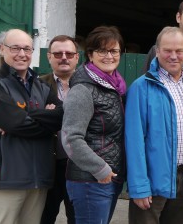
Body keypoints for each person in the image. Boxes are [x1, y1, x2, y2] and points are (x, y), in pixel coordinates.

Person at [0, 29, 63, 224]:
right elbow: (15, 123)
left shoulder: (43, 87)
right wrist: (44, 119)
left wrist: (26, 116)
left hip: (39, 179)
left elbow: (60, 117)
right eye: (15, 48)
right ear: (2, 49)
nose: (22, 54)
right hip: (7, 180)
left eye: (27, 48)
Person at [125, 26, 183, 224]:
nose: (173, 56)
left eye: (179, 51)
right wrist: (139, 187)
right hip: (153, 181)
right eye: (167, 50)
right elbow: (134, 141)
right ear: (157, 51)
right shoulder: (141, 87)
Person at [61, 26, 127, 223]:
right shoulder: (83, 89)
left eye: (114, 51)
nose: (109, 56)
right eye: (101, 51)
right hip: (90, 180)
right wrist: (101, 169)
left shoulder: (115, 87)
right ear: (90, 54)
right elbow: (71, 138)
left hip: (108, 178)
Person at [40, 35, 79, 224]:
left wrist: (50, 116)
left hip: (79, 165)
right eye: (58, 53)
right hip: (48, 164)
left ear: (77, 57)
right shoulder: (37, 85)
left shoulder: (88, 85)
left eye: (69, 53)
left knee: (77, 218)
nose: (64, 57)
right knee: (45, 216)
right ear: (49, 57)